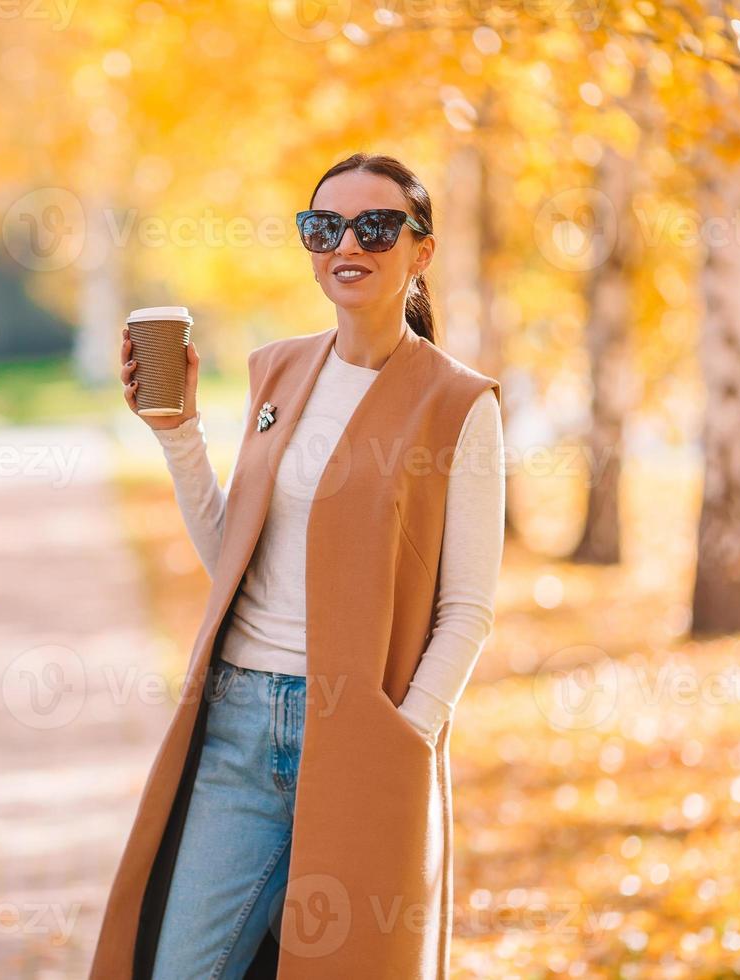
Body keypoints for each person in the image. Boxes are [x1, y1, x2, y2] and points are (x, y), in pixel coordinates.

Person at [96, 152, 504, 978]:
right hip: (239, 730)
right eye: (325, 226)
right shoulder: (278, 370)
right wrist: (176, 435)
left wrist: (406, 735)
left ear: (420, 251)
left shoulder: (459, 403)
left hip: (359, 739)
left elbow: (467, 607)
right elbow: (234, 559)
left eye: (376, 226)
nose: (347, 244)